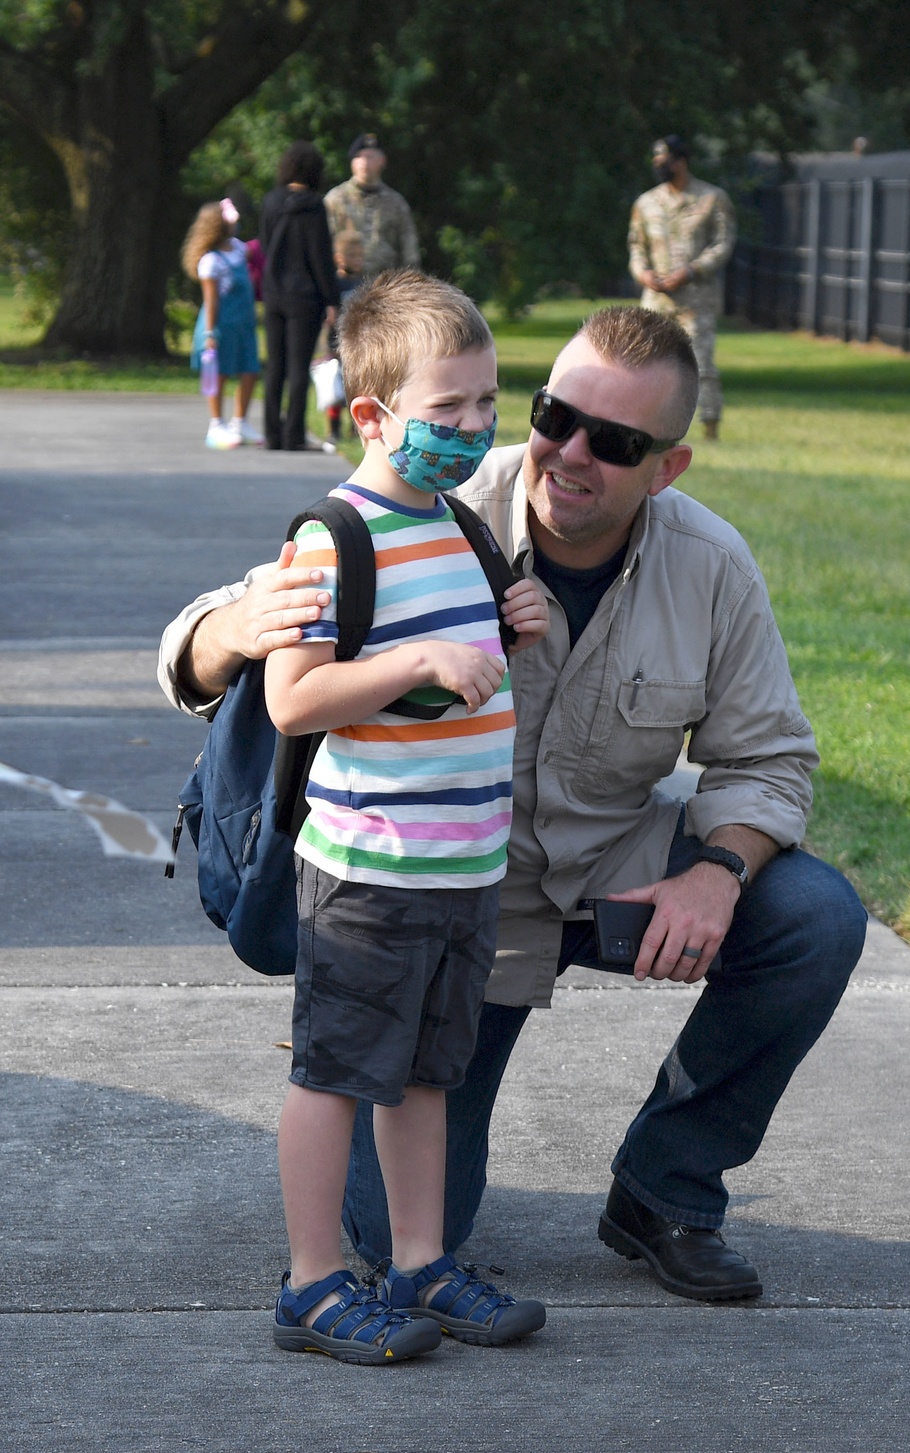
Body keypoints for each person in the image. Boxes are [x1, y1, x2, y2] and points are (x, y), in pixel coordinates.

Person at [159, 304, 868, 1306]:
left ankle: (665, 1187)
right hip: (446, 895)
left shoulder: (710, 565)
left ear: (666, 467)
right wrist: (235, 626)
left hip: (609, 865)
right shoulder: (430, 504)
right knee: (399, 1229)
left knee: (814, 917)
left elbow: (771, 760)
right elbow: (197, 644)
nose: (569, 453)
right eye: (553, 415)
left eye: (614, 443)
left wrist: (719, 869)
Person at [261, 270, 549, 1362]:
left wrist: (509, 623)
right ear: (372, 414)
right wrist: (409, 659)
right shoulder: (335, 536)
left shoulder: (465, 529)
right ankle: (312, 1282)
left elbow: (461, 673)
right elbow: (296, 696)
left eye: (486, 403)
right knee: (335, 1073)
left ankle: (421, 1259)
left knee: (431, 1071)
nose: (474, 429)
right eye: (447, 411)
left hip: (462, 868)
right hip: (369, 871)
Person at [628, 136, 736, 441]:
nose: (657, 165)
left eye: (663, 159)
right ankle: (641, 427)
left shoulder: (712, 199)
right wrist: (643, 274)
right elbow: (636, 246)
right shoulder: (646, 203)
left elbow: (722, 245)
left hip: (695, 300)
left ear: (681, 161)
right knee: (644, 364)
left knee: (700, 365)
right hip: (656, 299)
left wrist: (690, 271)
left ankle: (710, 429)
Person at [322, 134, 420, 447]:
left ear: (382, 161)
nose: (366, 161)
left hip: (382, 290)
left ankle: (373, 417)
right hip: (342, 289)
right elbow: (321, 246)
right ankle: (337, 421)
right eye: (360, 156)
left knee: (380, 355)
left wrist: (410, 288)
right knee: (339, 357)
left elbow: (409, 247)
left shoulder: (395, 202)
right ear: (353, 162)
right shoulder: (335, 200)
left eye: (372, 155)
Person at [258, 141, 341, 452]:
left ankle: (271, 433)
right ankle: (293, 434)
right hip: (305, 296)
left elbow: (265, 245)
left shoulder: (270, 201)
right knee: (298, 368)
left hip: (274, 291)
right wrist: (331, 298)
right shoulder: (314, 207)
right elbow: (320, 257)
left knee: (274, 366)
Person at [182, 198, 262, 449]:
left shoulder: (239, 249)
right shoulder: (211, 261)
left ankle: (241, 421)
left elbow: (258, 250)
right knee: (220, 374)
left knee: (250, 371)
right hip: (221, 325)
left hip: (244, 324)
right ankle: (216, 424)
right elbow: (212, 301)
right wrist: (210, 333)